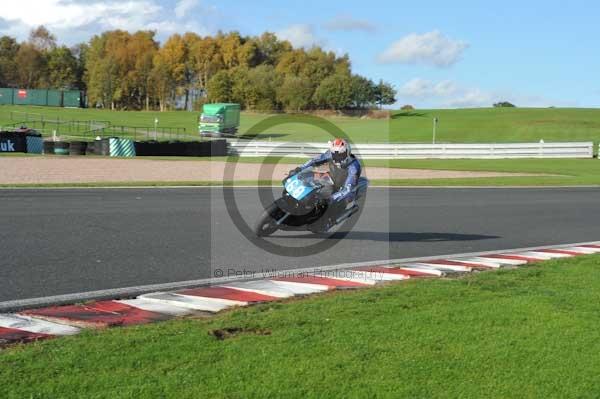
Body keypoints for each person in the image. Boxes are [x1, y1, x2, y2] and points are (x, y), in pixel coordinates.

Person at [288, 138, 362, 229]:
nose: (337, 157)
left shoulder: (354, 167)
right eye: (335, 154)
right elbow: (315, 160)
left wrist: (331, 198)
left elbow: (348, 189)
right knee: (306, 178)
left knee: (328, 201)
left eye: (341, 155)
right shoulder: (330, 154)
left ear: (347, 152)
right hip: (330, 178)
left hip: (345, 189)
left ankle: (327, 222)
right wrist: (300, 168)